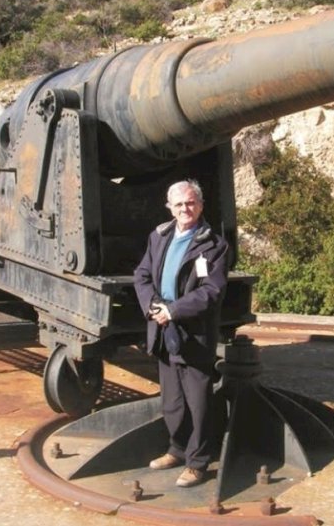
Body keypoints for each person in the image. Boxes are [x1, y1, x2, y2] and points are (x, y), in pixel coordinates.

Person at [133, 179, 229, 488]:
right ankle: (176, 449)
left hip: (193, 334)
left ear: (200, 205)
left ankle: (198, 463)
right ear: (169, 208)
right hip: (163, 330)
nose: (185, 208)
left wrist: (173, 310)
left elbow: (211, 291)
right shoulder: (159, 237)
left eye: (190, 202)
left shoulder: (214, 245)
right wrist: (152, 305)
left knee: (198, 402)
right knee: (172, 401)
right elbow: (142, 275)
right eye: (179, 204)